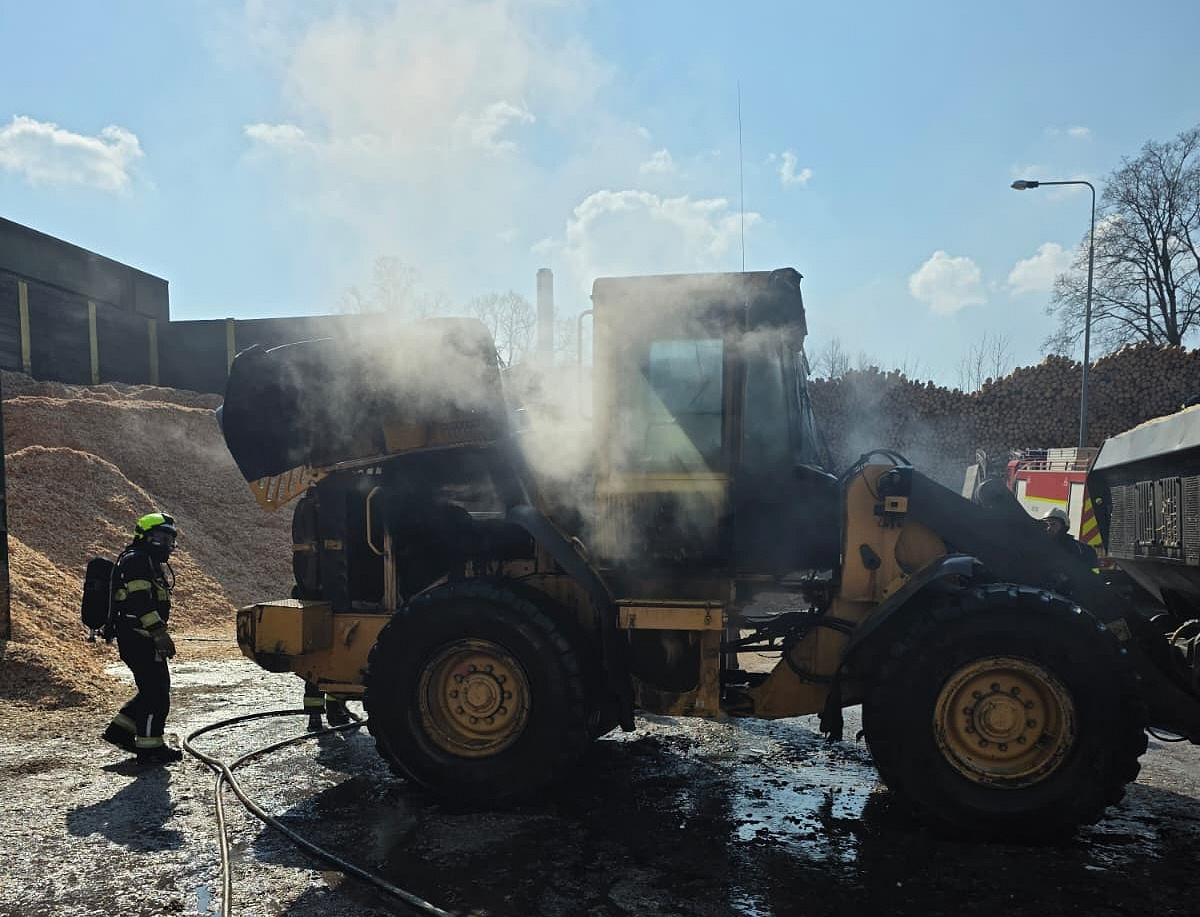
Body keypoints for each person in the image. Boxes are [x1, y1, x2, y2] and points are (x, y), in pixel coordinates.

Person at [101, 512, 183, 764]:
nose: (166, 544)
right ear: (144, 536)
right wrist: (159, 634)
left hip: (141, 637)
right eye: (160, 537)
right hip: (138, 638)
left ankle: (120, 731)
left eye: (169, 539)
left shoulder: (146, 561)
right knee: (156, 694)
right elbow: (140, 603)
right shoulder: (137, 561)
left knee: (153, 689)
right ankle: (150, 749)